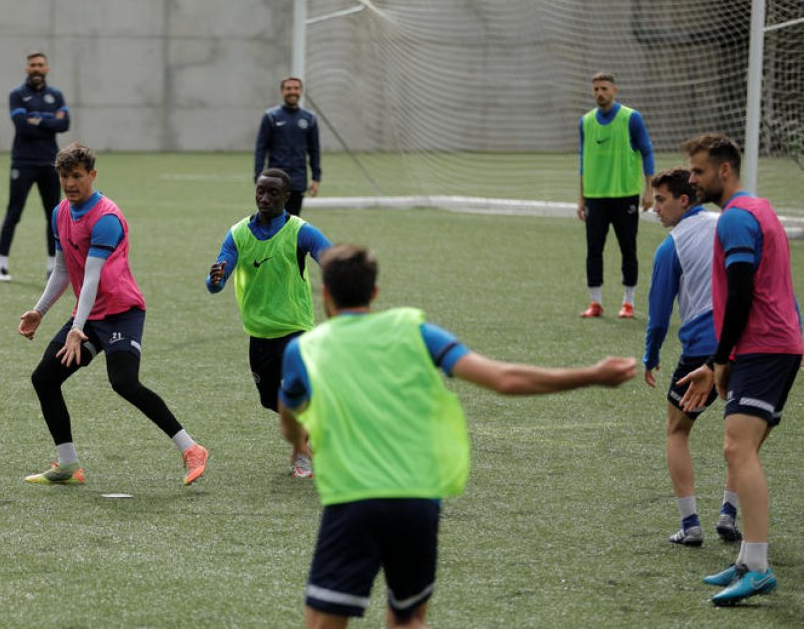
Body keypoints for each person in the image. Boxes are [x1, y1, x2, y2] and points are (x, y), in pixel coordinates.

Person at [279, 244, 635, 628]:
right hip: (417, 501)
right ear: (376, 293)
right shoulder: (415, 331)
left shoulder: (304, 349)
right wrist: (593, 375)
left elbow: (289, 420)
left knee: (322, 621)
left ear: (327, 295)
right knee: (407, 618)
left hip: (353, 503)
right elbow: (505, 379)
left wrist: (300, 436)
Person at [17, 142, 208, 486]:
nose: (70, 183)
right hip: (90, 316)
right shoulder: (60, 212)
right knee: (44, 379)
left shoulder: (106, 218)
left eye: (77, 176)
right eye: (64, 176)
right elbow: (63, 270)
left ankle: (191, 448)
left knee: (124, 382)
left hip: (121, 313)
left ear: (92, 174)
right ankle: (67, 464)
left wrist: (77, 328)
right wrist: (39, 310)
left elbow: (91, 277)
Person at [678, 133, 803, 606]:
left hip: (764, 345)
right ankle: (748, 559)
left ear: (724, 171)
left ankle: (759, 567)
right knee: (740, 450)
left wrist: (719, 360)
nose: (693, 180)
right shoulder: (760, 208)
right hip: (779, 343)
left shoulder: (733, 219)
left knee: (737, 447)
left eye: (699, 171)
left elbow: (744, 294)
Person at [207, 168, 330, 478]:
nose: (265, 197)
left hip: (295, 328)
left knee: (296, 392)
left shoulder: (301, 231)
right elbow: (216, 283)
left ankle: (303, 453)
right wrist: (214, 278)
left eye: (273, 192)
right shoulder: (238, 234)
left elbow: (331, 258)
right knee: (270, 400)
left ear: (287, 197)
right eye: (261, 191)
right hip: (259, 331)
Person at [643, 167, 739, 547]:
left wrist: (650, 356)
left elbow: (659, 315)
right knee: (741, 436)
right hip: (742, 346)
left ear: (685, 200)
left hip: (702, 351)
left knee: (676, 430)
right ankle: (729, 515)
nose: (654, 208)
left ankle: (690, 523)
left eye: (661, 200)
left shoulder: (672, 246)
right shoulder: (730, 223)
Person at [577, 71, 654, 319]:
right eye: (596, 89)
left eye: (604, 88)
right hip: (595, 197)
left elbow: (647, 151)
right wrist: (581, 197)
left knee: (628, 248)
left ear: (614, 90)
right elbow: (583, 161)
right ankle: (595, 302)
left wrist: (649, 189)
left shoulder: (632, 118)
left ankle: (628, 302)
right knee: (594, 249)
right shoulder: (586, 122)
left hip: (625, 196)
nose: (600, 93)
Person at [0, 52, 70, 282]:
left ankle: (53, 266)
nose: (37, 69)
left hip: (50, 161)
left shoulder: (56, 95)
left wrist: (36, 119)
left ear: (47, 69)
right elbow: (21, 126)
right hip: (23, 161)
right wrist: (49, 122)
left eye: (41, 65)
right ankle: (1, 264)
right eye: (33, 65)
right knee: (14, 211)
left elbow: (65, 124)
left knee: (53, 215)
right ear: (26, 69)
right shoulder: (17, 94)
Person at [254, 77, 321, 216]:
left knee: (293, 221)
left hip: (298, 179)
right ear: (282, 91)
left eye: (296, 88)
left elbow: (314, 150)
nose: (292, 91)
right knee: (272, 220)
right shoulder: (271, 117)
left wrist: (316, 178)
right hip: (274, 181)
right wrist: (258, 175)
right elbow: (261, 148)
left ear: (301, 91)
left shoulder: (309, 118)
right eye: (288, 88)